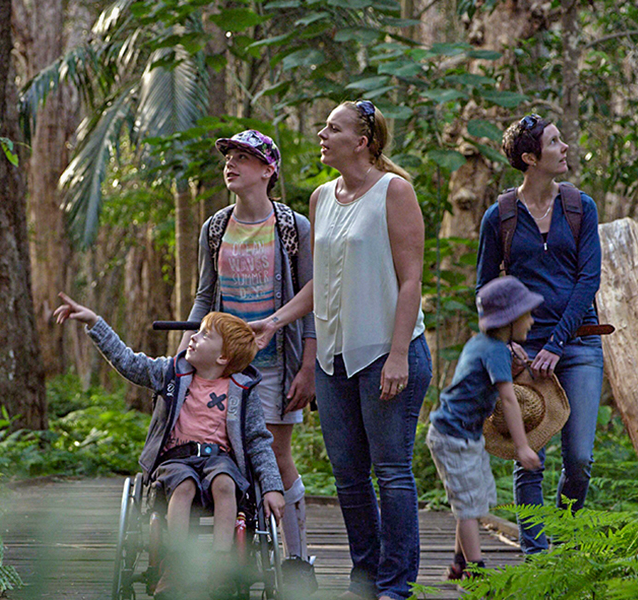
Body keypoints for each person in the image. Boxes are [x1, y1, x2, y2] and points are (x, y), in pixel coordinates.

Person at [251, 100, 432, 600]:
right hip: (334, 360)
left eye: (333, 128)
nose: (322, 135)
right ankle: (364, 577)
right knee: (348, 476)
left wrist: (398, 354)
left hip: (386, 354)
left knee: (391, 470)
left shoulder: (395, 192)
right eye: (323, 127)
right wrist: (276, 320)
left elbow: (411, 280)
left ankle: (396, 585)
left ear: (363, 141)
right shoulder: (320, 198)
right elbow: (321, 281)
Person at [53, 296, 284, 599]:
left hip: (220, 461)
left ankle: (221, 565)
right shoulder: (172, 374)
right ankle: (176, 564)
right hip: (177, 460)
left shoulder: (241, 390)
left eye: (204, 335)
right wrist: (94, 322)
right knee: (184, 485)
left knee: (226, 484)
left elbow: (257, 441)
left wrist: (272, 487)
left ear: (223, 358)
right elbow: (127, 361)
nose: (193, 337)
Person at [178, 129, 317, 583]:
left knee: (276, 456)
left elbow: (310, 298)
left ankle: (296, 558)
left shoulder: (293, 228)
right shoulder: (215, 228)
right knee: (224, 452)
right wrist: (185, 351)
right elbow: (204, 296)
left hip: (276, 361)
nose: (231, 164)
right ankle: (236, 546)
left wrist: (308, 365)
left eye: (243, 157)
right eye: (229, 156)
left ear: (267, 170)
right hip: (222, 361)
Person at [475, 113, 605, 555]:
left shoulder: (580, 206)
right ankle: (537, 555)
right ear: (530, 158)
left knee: (580, 461)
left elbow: (589, 279)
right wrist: (504, 340)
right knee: (528, 455)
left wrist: (557, 344)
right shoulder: (500, 216)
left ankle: (564, 541)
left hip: (580, 343)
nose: (565, 147)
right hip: (525, 352)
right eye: (554, 142)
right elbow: (485, 286)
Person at [426, 276, 542, 581]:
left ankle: (458, 563)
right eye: (527, 314)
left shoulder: (485, 345)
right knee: (467, 506)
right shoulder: (495, 351)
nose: (531, 320)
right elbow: (508, 400)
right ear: (510, 319)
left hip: (463, 433)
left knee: (471, 502)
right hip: (452, 436)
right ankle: (477, 575)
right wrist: (522, 447)